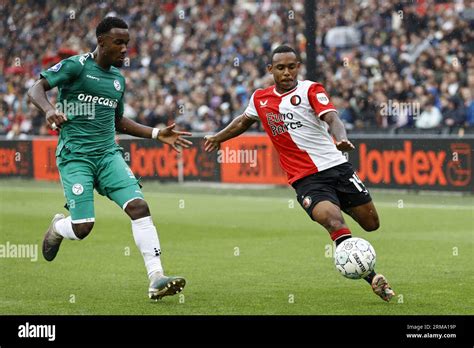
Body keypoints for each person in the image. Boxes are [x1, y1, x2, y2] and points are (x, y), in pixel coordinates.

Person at [204, 45, 395, 302]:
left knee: (371, 224)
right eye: (280, 68)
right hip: (305, 179)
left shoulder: (310, 90)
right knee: (333, 222)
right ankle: (371, 276)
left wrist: (341, 138)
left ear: (298, 67)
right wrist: (219, 137)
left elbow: (332, 118)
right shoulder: (260, 98)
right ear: (270, 70)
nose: (286, 73)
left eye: (291, 67)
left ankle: (340, 205)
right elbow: (242, 121)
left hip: (337, 167)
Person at [27, 17, 191, 300]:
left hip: (107, 155)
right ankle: (57, 227)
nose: (125, 49)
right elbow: (35, 89)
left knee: (139, 207)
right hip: (76, 157)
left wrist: (155, 133)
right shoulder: (76, 66)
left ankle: (156, 278)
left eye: (127, 43)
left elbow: (117, 121)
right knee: (82, 228)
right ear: (101, 41)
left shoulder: (117, 80)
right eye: (119, 43)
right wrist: (48, 110)